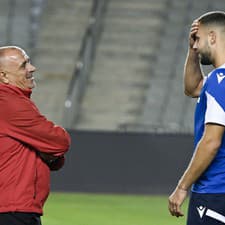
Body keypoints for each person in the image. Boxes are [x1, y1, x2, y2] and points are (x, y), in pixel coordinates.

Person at [0, 46, 71, 225]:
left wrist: (49, 152)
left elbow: (55, 158)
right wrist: (46, 149)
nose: (32, 68)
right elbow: (59, 141)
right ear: (3, 76)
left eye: (29, 62)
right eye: (24, 65)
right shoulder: (9, 103)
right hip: (12, 211)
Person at [168, 11, 225, 225]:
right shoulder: (216, 80)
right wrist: (191, 52)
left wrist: (182, 187)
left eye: (198, 39)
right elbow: (193, 88)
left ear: (212, 37)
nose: (195, 46)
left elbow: (211, 142)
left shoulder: (220, 82)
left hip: (215, 191)